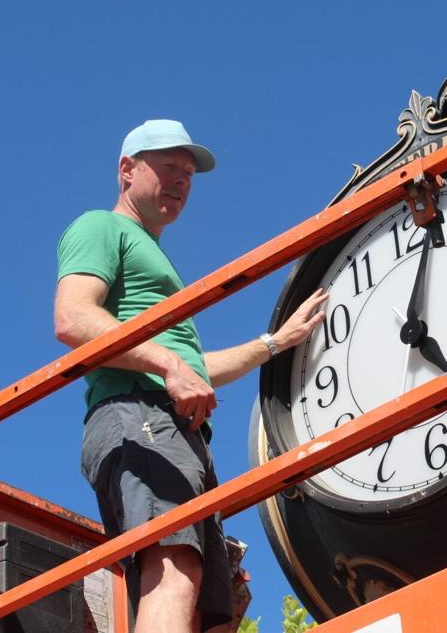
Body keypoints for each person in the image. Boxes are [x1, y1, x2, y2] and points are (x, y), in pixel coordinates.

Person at [54, 119, 327, 633]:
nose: (181, 181)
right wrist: (168, 364)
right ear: (126, 170)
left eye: (189, 174)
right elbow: (73, 318)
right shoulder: (100, 227)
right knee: (174, 569)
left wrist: (275, 343)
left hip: (177, 430)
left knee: (211, 611)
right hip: (137, 413)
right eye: (168, 167)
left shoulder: (157, 262)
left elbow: (198, 369)